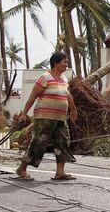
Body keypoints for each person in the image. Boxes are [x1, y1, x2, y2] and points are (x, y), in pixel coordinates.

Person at [14, 52, 78, 181]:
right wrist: (24, 113)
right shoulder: (45, 77)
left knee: (63, 142)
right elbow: (33, 96)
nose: (67, 64)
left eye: (67, 62)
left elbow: (68, 95)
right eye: (64, 62)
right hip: (44, 117)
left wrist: (73, 109)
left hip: (60, 118)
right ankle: (22, 169)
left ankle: (60, 172)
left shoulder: (64, 79)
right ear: (56, 63)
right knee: (38, 143)